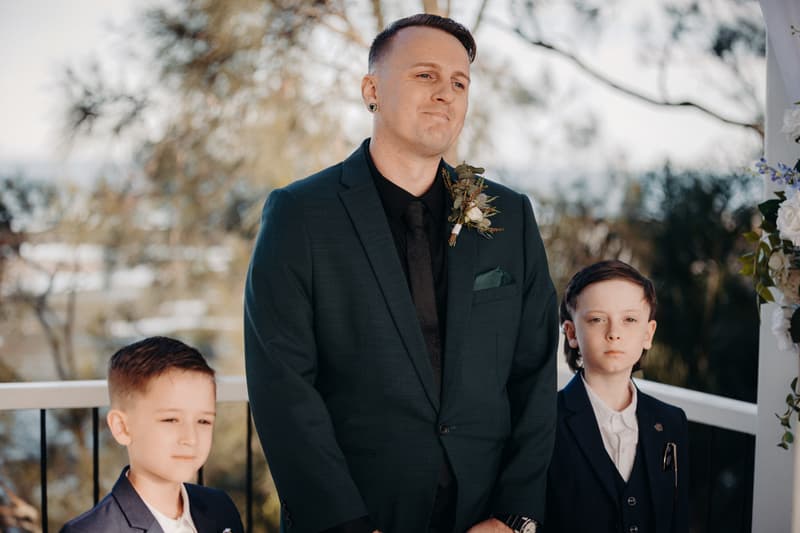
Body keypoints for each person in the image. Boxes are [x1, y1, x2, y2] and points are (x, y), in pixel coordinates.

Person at [244, 13, 558, 533]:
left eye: (459, 82)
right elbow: (283, 388)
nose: (446, 93)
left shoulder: (510, 215)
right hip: (358, 516)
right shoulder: (300, 215)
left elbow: (534, 372)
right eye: (425, 75)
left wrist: (514, 514)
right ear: (372, 89)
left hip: (484, 518)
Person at [545, 260, 689, 533]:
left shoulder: (671, 422)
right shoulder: (545, 419)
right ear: (572, 333)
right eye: (597, 319)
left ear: (648, 334)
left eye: (630, 319)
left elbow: (677, 518)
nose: (614, 334)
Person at [60, 336, 244, 533]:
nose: (191, 438)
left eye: (204, 421)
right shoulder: (89, 531)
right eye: (171, 420)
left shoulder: (220, 508)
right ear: (122, 428)